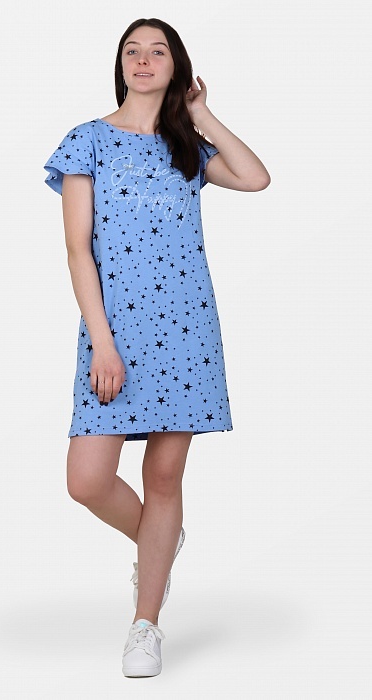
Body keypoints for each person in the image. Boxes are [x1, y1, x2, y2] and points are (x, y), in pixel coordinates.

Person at [44, 17, 270, 678]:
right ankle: (159, 541)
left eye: (158, 52)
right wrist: (103, 344)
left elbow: (255, 178)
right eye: (132, 52)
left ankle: (145, 625)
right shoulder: (86, 141)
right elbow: (78, 251)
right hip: (113, 335)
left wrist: (201, 113)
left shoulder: (187, 147)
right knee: (87, 480)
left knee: (165, 477)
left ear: (176, 67)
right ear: (120, 66)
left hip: (186, 330)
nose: (143, 60)